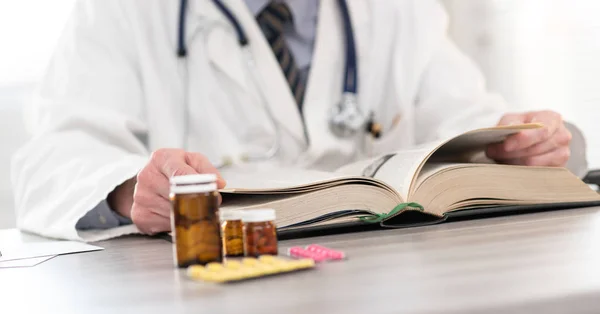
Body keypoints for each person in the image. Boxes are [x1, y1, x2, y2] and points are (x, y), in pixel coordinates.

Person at [11, 0, 577, 242]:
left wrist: (515, 144)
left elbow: (466, 119)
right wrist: (131, 189)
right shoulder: (127, 11)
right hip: (207, 289)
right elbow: (51, 160)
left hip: (374, 283)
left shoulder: (390, 9)